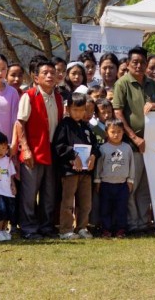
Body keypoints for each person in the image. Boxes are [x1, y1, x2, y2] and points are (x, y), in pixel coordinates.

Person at [112, 47, 155, 234]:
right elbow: (118, 113)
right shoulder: (122, 84)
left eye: (143, 62)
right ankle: (132, 223)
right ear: (128, 64)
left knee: (145, 187)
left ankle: (143, 223)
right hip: (132, 145)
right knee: (131, 186)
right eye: (135, 62)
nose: (139, 65)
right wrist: (134, 138)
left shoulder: (151, 84)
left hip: (152, 145)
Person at [12, 57, 62, 239]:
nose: (49, 76)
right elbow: (20, 123)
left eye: (52, 73)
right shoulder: (29, 96)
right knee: (29, 193)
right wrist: (25, 148)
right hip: (33, 151)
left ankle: (46, 227)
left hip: (52, 152)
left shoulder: (58, 97)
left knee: (49, 193)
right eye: (45, 73)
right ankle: (28, 228)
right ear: (36, 77)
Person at [52, 93, 101, 239]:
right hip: (70, 171)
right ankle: (66, 230)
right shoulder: (64, 125)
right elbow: (59, 146)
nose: (78, 113)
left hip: (86, 172)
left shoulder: (86, 127)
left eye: (81, 110)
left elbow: (95, 146)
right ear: (68, 109)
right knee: (68, 201)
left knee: (85, 202)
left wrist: (93, 156)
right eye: (75, 110)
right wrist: (73, 155)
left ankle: (82, 227)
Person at [94, 119, 134, 238]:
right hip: (106, 184)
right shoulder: (103, 148)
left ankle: (120, 229)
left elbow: (132, 165)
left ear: (123, 132)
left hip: (122, 185)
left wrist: (130, 180)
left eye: (119, 132)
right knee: (105, 208)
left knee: (121, 208)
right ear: (106, 132)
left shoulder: (127, 148)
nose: (116, 135)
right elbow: (99, 166)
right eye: (113, 132)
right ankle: (106, 229)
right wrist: (97, 181)